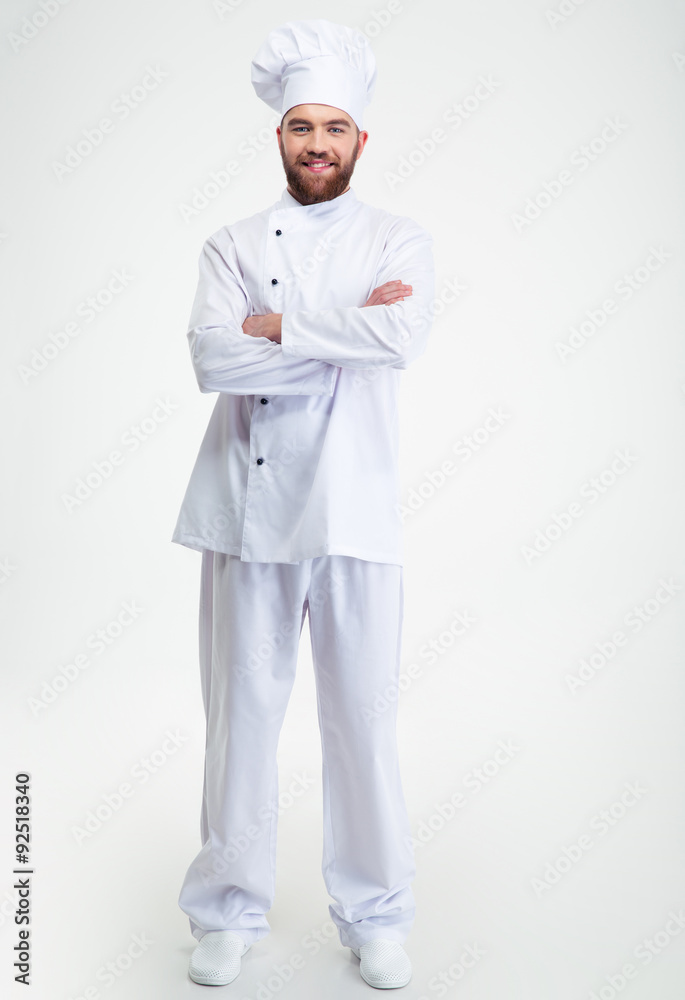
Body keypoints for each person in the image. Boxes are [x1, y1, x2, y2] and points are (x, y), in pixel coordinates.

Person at [171, 18, 435, 990]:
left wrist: (279, 326)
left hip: (358, 510)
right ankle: (227, 909)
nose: (316, 143)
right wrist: (343, 331)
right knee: (240, 716)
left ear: (361, 139)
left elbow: (400, 337)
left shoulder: (400, 239)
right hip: (247, 509)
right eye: (299, 127)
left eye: (333, 127)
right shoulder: (230, 243)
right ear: (276, 137)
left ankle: (375, 912)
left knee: (361, 720)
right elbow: (212, 359)